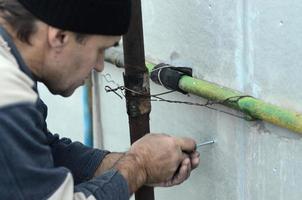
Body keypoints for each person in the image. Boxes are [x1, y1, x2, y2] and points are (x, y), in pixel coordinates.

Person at [0, 0, 200, 199]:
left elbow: (45, 153)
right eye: (100, 50)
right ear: (60, 37)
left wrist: (132, 163)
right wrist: (139, 165)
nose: (100, 66)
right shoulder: (8, 95)